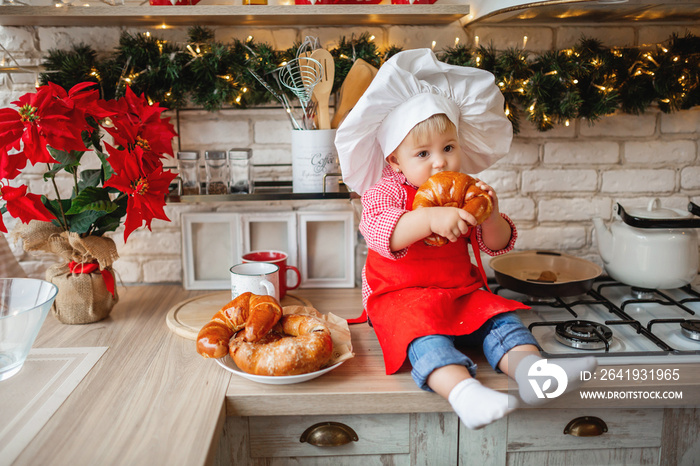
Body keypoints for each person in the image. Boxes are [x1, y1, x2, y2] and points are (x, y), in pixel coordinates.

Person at [335, 49, 597, 430]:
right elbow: (381, 234)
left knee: (501, 320)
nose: (439, 162)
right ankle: (464, 392)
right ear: (394, 160)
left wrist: (489, 215)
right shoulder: (383, 192)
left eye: (448, 148)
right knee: (425, 339)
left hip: (460, 290)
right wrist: (429, 218)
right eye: (423, 153)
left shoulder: (467, 189)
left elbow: (497, 243)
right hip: (401, 297)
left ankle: (536, 375)